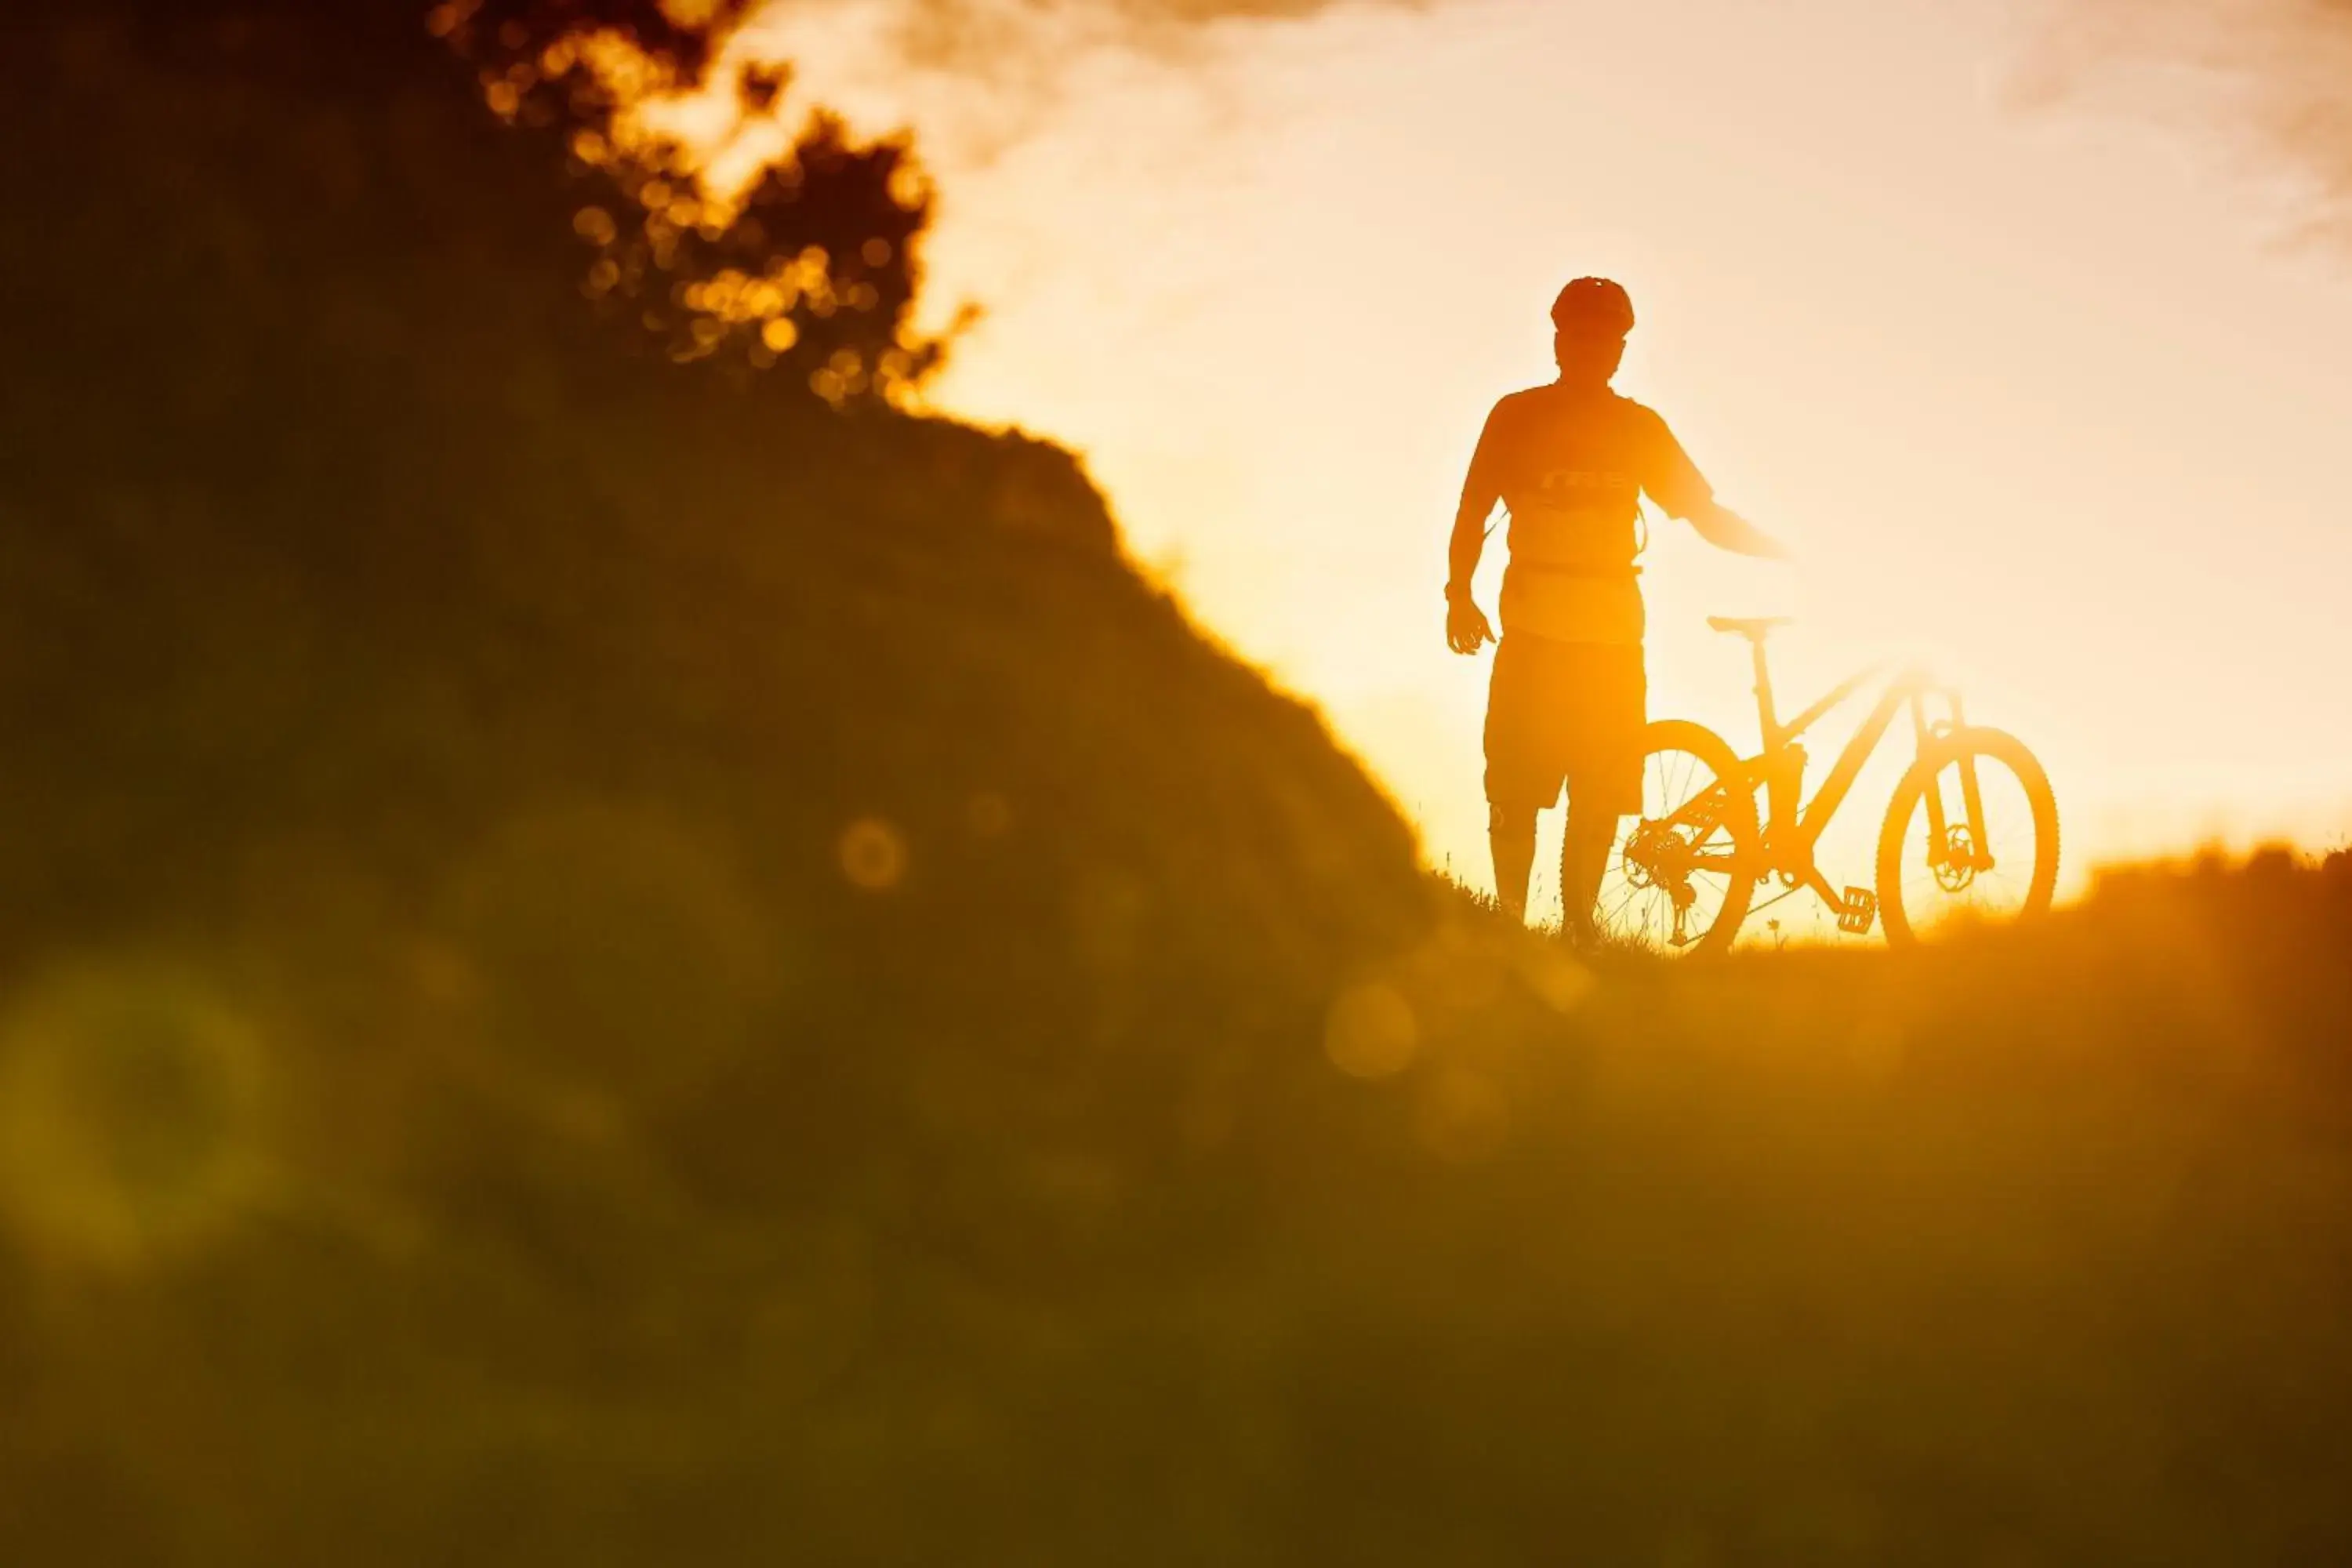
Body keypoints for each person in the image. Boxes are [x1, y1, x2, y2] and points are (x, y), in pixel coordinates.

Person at [1445, 277, 1787, 942]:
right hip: (1537, 632)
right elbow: (1472, 509)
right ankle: (1514, 926)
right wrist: (1458, 594)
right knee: (1515, 792)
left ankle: (1579, 929)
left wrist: (1781, 552)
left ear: (1621, 348)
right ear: (1558, 340)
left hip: (1609, 640)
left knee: (1598, 793)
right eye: (1581, 334)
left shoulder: (1639, 429)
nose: (1594, 349)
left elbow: (1705, 516)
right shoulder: (1516, 416)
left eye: (1607, 338)